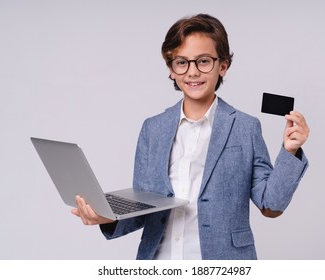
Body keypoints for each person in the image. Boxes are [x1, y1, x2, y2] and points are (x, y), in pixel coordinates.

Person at [71, 13, 309, 260]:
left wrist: (290, 152)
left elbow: (271, 205)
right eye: (182, 62)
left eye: (203, 61)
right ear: (171, 69)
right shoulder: (152, 129)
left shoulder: (245, 128)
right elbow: (144, 207)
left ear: (223, 66)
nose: (192, 72)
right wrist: (107, 217)